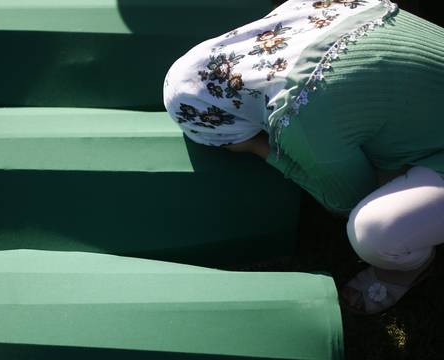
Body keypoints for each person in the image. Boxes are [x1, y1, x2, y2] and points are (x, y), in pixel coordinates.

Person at [163, 0, 444, 315]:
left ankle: (403, 270)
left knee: (374, 230)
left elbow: (345, 198)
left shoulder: (297, 117)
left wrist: (259, 148)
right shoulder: (312, 7)